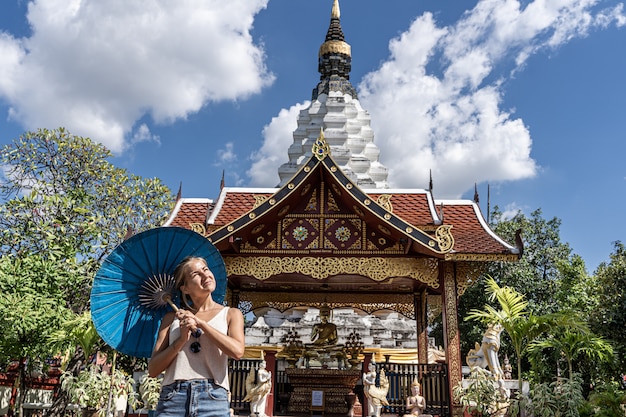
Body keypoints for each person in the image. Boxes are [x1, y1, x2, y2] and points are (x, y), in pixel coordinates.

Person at [148, 256, 245, 417]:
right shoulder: (171, 318)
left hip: (213, 397)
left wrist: (202, 324)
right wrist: (180, 341)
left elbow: (237, 351)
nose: (205, 275)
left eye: (205, 270)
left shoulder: (231, 314)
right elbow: (153, 369)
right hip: (173, 397)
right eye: (196, 274)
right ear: (185, 288)